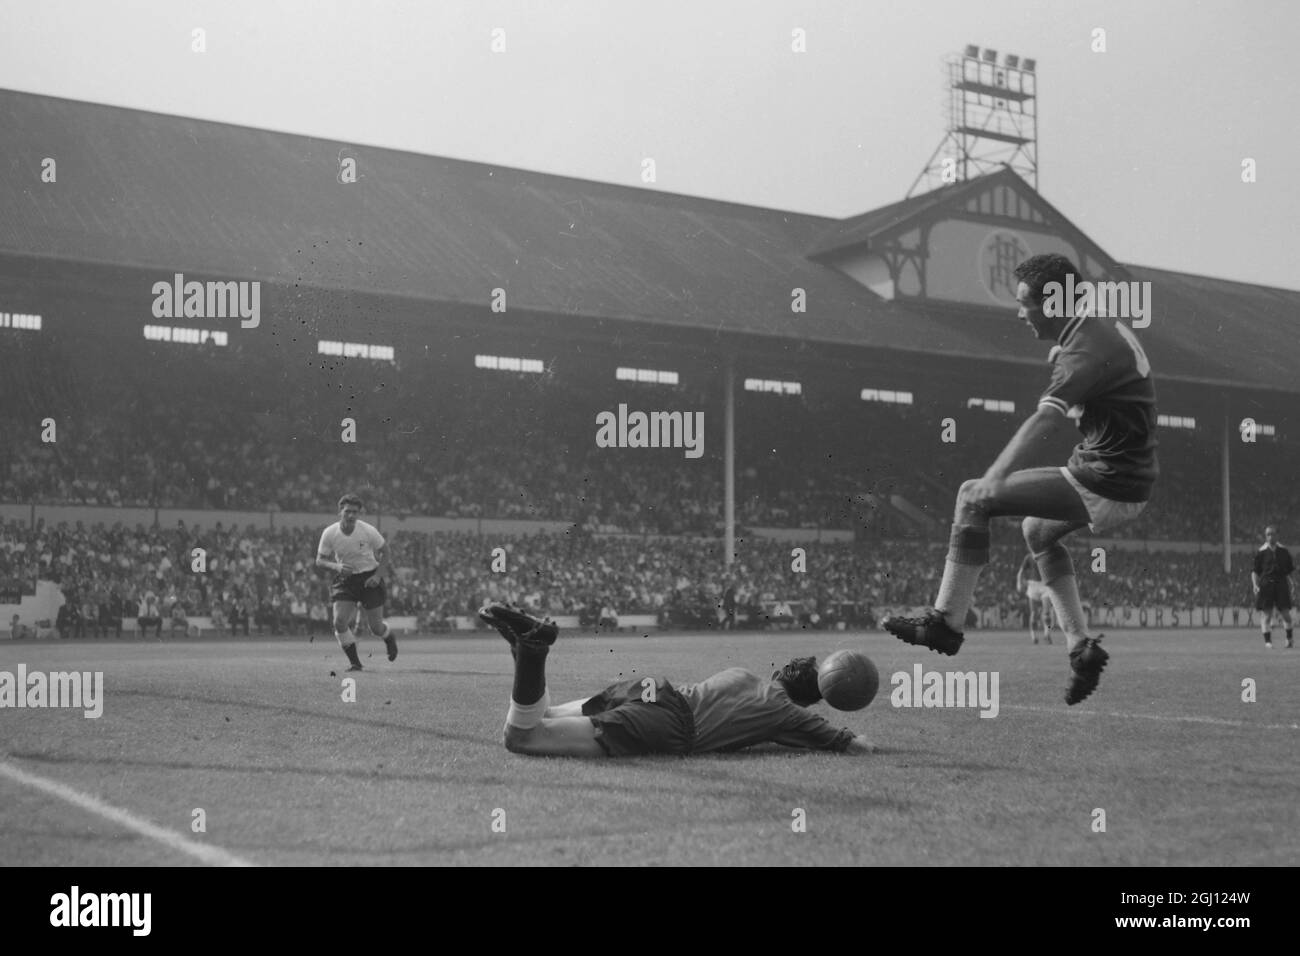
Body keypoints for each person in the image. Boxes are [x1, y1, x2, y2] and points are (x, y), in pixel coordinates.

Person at [884, 254, 1158, 705]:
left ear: (1052, 302)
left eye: (1024, 302)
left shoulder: (1085, 350)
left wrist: (995, 477)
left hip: (1107, 479)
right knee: (1036, 531)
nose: (1019, 312)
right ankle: (1080, 646)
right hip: (1122, 477)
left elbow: (1044, 421)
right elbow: (1109, 368)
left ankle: (945, 624)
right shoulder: (1099, 330)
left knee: (972, 497)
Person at [478, 603, 875, 758]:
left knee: (539, 716)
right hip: (667, 726)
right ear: (807, 700)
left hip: (653, 690)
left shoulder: (743, 674)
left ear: (780, 672)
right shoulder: (788, 715)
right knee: (522, 738)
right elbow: (850, 744)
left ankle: (522, 647)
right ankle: (531, 652)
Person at [316, 493, 396, 671]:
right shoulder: (330, 533)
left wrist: (377, 576)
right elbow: (319, 560)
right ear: (340, 512)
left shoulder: (367, 530)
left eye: (355, 512)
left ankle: (389, 637)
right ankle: (355, 663)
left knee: (375, 628)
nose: (351, 515)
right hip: (346, 579)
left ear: (359, 513)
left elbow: (386, 552)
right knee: (339, 621)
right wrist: (336, 567)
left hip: (369, 578)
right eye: (347, 512)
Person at [1252, 526, 1294, 648]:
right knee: (1267, 615)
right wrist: (1255, 585)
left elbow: (1289, 570)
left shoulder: (1284, 551)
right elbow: (1254, 571)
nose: (1271, 536)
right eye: (1268, 534)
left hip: (1281, 584)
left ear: (1277, 535)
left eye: (1273, 534)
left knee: (1286, 615)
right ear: (1265, 536)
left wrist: (1292, 584)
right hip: (1266, 585)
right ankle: (1268, 642)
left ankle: (1289, 638)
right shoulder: (1261, 552)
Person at [1016, 552, 1055, 644]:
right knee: (1034, 614)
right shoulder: (1029, 556)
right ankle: (1033, 636)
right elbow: (1021, 571)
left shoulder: (1047, 555)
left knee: (1047, 614)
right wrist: (1018, 582)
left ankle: (1047, 634)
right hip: (1033, 585)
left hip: (1045, 585)